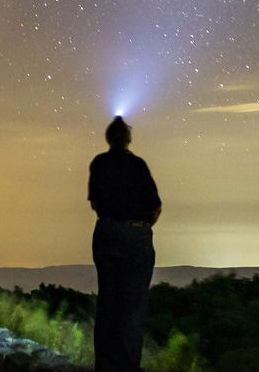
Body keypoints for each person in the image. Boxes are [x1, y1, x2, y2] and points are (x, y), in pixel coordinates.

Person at [87, 116, 162, 372]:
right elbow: (155, 207)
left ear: (109, 138)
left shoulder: (99, 164)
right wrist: (139, 229)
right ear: (128, 138)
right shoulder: (137, 165)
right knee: (133, 304)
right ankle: (128, 366)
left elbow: (95, 203)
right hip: (135, 235)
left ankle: (105, 366)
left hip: (106, 232)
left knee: (108, 301)